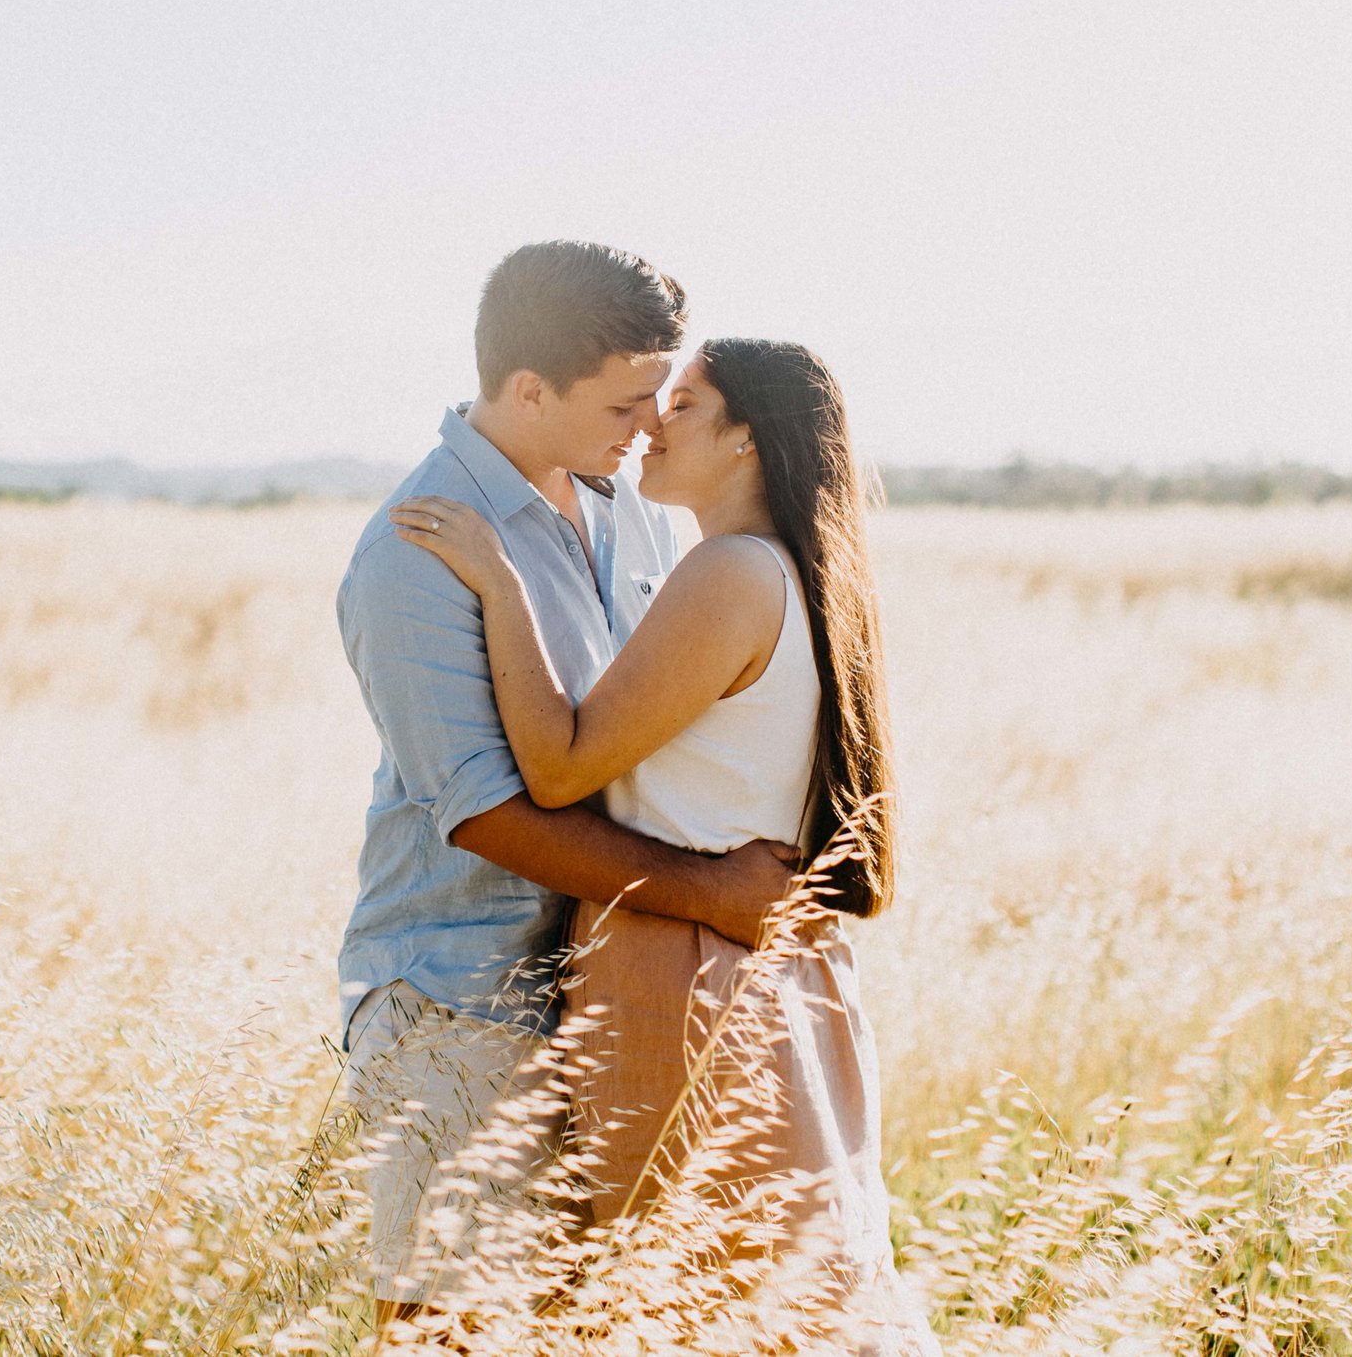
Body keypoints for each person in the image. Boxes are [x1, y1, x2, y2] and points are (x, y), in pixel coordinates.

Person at [390, 335, 940, 1352]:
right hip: (760, 967)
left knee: (695, 1297)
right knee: (779, 1284)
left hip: (681, 967)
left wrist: (500, 584)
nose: (650, 421)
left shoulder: (729, 571)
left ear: (743, 437)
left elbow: (558, 768)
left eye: (682, 402)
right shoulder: (792, 571)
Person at [335, 244, 804, 1325]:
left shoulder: (623, 503)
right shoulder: (414, 549)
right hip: (461, 999)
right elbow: (486, 814)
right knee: (451, 1326)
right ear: (529, 388)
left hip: (615, 986)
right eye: (626, 399)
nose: (648, 426)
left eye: (658, 398)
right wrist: (714, 893)